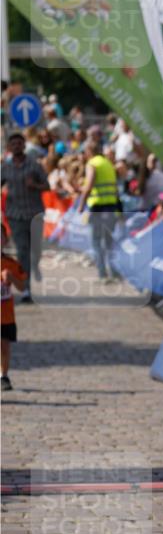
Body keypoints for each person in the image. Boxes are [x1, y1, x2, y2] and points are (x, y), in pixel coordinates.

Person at [1, 132, 48, 302]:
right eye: (13, 144)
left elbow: (47, 185)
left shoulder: (34, 165)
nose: (17, 146)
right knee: (22, 251)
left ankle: (35, 264)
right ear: (9, 147)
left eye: (19, 143)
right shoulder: (5, 168)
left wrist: (35, 185)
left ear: (24, 145)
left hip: (35, 214)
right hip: (15, 215)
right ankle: (26, 289)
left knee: (35, 250)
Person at [78, 140, 121, 281]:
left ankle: (102, 274)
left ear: (89, 151)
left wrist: (81, 204)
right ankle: (114, 272)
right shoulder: (108, 163)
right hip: (111, 207)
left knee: (96, 241)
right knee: (108, 241)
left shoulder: (92, 164)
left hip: (98, 207)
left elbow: (89, 185)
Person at [1, 222, 26, 391]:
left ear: (5, 241)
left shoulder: (11, 263)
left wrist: (11, 277)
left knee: (4, 345)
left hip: (5, 314)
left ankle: (4, 376)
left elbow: (22, 287)